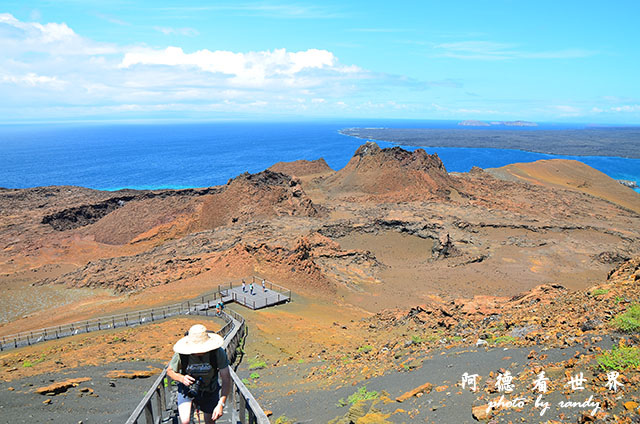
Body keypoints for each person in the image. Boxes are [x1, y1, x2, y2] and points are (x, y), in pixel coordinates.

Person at [167, 324, 231, 424]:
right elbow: (170, 371)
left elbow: (226, 379)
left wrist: (221, 404)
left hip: (210, 389)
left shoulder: (217, 353)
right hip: (187, 390)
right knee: (185, 421)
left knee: (210, 421)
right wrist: (181, 378)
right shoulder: (182, 354)